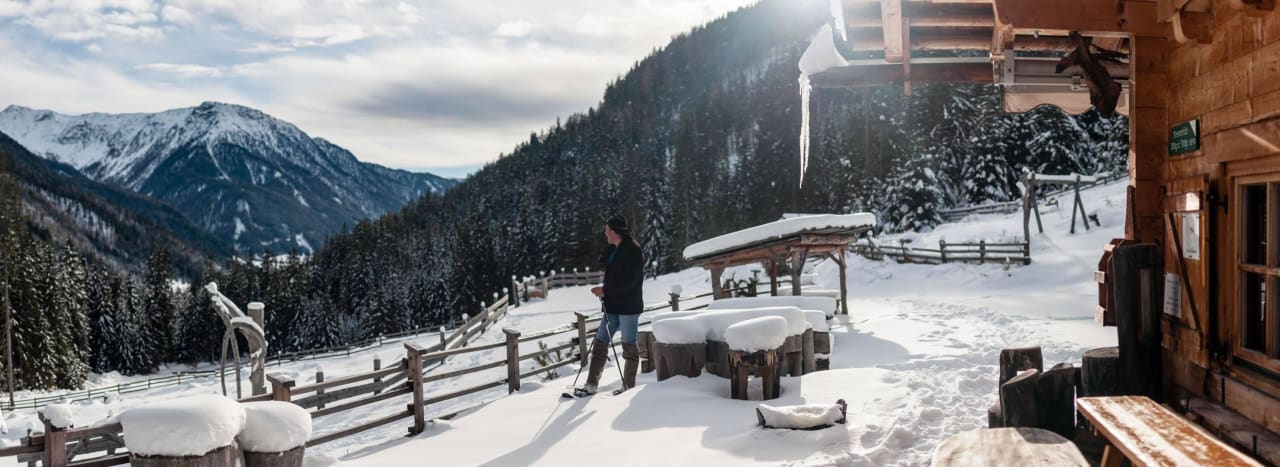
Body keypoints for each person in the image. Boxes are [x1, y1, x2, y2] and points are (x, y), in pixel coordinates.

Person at [574, 214, 645, 396]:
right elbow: (610, 269)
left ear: (614, 232)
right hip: (612, 306)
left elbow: (630, 282)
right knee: (600, 342)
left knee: (629, 345)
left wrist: (605, 290)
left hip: (628, 306)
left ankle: (628, 386)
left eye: (607, 230)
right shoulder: (616, 249)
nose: (604, 233)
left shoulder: (633, 251)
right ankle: (591, 384)